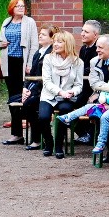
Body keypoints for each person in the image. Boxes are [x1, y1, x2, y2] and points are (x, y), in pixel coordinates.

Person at [58, 61, 109, 156]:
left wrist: (107, 100)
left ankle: (101, 143)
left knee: (105, 117)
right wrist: (102, 99)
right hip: (105, 105)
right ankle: (69, 117)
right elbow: (104, 90)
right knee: (87, 107)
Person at [0, 0, 39, 145]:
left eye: (23, 6)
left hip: (23, 63)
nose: (21, 8)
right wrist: (0, 44)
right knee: (12, 99)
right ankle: (16, 134)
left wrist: (30, 64)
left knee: (25, 97)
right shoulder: (6, 22)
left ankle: (34, 134)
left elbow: (34, 45)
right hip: (8, 64)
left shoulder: (29, 22)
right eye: (18, 6)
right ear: (12, 8)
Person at [38, 31, 84, 159]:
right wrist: (59, 92)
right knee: (43, 117)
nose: (55, 44)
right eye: (55, 41)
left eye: (59, 41)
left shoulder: (77, 62)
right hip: (49, 95)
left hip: (66, 97)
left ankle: (59, 145)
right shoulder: (48, 59)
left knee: (65, 111)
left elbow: (79, 85)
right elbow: (46, 82)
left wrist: (72, 92)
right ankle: (49, 142)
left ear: (67, 44)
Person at [20, 25, 56, 151]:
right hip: (33, 87)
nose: (40, 36)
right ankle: (17, 135)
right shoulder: (38, 52)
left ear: (52, 39)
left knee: (29, 104)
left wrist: (31, 92)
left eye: (44, 34)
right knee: (12, 100)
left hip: (43, 91)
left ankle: (37, 139)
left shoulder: (51, 54)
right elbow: (31, 74)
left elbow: (43, 79)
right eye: (40, 34)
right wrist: (25, 89)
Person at [74, 20, 101, 145]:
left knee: (81, 103)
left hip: (95, 88)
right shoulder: (84, 48)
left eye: (86, 31)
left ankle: (91, 134)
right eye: (82, 31)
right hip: (83, 86)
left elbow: (92, 70)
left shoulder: (98, 49)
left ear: (95, 35)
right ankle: (84, 132)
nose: (82, 34)